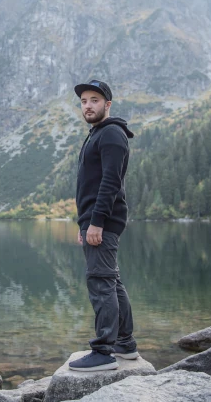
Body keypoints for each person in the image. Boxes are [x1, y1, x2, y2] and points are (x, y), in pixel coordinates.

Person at [68, 79, 138, 372]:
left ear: (107, 104)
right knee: (111, 280)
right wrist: (86, 224)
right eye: (84, 101)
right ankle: (125, 344)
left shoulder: (110, 134)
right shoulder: (99, 133)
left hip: (103, 221)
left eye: (94, 100)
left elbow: (110, 182)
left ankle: (104, 352)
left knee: (100, 281)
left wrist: (96, 223)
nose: (88, 105)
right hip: (96, 221)